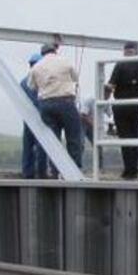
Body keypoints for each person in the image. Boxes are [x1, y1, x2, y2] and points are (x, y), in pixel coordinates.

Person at [28, 42, 83, 175]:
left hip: (46, 104)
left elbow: (31, 86)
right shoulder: (65, 62)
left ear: (42, 54)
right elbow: (76, 77)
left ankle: (55, 170)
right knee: (74, 137)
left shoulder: (36, 67)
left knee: (54, 141)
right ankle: (74, 171)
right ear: (55, 51)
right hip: (66, 101)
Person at [107, 41, 138, 179]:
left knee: (125, 138)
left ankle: (129, 169)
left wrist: (103, 99)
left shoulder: (120, 65)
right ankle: (134, 169)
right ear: (137, 51)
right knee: (134, 136)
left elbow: (111, 85)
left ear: (125, 51)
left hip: (122, 106)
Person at [20, 52, 48, 178]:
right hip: (40, 117)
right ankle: (42, 172)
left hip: (27, 118)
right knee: (42, 145)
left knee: (28, 145)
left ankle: (27, 172)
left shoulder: (23, 82)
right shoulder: (41, 81)